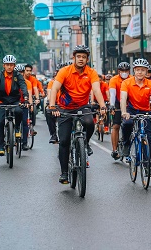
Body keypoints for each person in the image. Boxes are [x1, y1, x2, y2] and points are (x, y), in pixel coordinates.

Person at [48, 45, 106, 184]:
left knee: (89, 122)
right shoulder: (64, 71)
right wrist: (52, 106)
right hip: (65, 108)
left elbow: (97, 90)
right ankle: (64, 173)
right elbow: (55, 88)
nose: (81, 59)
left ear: (87, 59)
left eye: (84, 57)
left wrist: (103, 106)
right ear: (73, 58)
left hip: (82, 106)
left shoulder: (91, 72)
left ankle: (85, 143)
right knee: (64, 141)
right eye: (78, 57)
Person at [121, 58, 151, 176]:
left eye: (143, 70)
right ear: (134, 71)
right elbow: (123, 98)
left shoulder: (150, 83)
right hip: (131, 109)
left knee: (148, 138)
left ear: (146, 72)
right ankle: (126, 144)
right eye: (138, 70)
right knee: (127, 124)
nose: (140, 72)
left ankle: (147, 166)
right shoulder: (126, 83)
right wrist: (124, 112)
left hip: (145, 111)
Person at [0, 55, 30, 156]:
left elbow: (23, 86)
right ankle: (1, 146)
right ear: (4, 65)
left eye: (11, 65)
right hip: (2, 100)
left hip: (14, 100)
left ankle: (16, 129)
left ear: (14, 66)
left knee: (19, 111)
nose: (9, 67)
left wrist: (25, 98)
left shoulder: (18, 76)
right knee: (0, 123)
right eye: (7, 65)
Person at [108, 62, 131, 159]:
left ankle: (128, 143)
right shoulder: (114, 79)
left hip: (129, 103)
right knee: (116, 126)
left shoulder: (132, 79)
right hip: (117, 103)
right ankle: (115, 150)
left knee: (130, 124)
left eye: (126, 71)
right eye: (122, 71)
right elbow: (112, 94)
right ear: (119, 71)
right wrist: (112, 105)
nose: (124, 72)